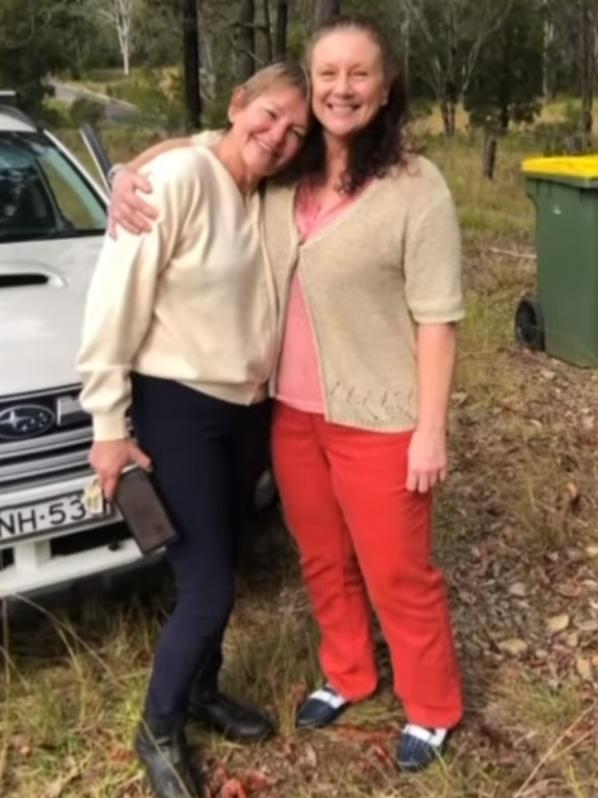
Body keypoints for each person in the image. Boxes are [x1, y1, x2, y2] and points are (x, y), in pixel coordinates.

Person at [109, 15, 465, 774]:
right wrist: (122, 173)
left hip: (380, 417)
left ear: (385, 85)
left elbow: (438, 318)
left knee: (398, 570)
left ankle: (432, 706)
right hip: (290, 414)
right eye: (327, 73)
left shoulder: (415, 186)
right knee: (324, 559)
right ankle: (349, 673)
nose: (342, 88)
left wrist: (430, 430)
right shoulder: (287, 174)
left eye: (358, 73)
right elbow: (210, 145)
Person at [77, 62, 310, 798]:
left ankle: (205, 692)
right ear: (239, 103)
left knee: (227, 563)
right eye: (269, 114)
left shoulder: (266, 192)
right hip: (178, 405)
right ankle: (160, 726)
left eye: (295, 130)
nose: (277, 135)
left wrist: (130, 158)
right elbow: (114, 301)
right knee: (205, 588)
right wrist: (109, 425)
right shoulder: (177, 180)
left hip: (246, 412)